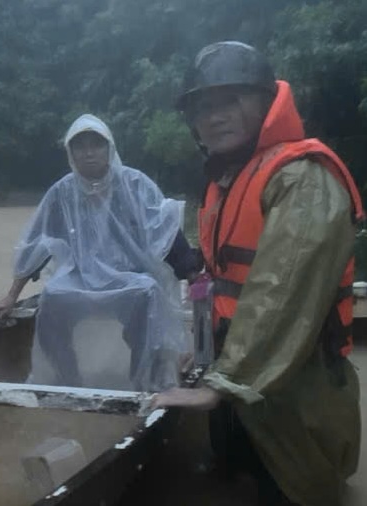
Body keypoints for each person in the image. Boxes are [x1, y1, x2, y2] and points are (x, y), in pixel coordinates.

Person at [154, 41, 362, 506]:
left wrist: (220, 383)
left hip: (294, 387)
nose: (215, 116)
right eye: (203, 106)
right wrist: (203, 349)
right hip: (234, 372)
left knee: (295, 489)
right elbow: (215, 279)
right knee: (232, 479)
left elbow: (281, 294)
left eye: (231, 100)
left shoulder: (301, 177)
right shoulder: (226, 180)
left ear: (267, 102)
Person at [0, 114, 201, 392]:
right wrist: (12, 295)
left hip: (130, 280)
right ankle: (67, 379)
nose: (89, 153)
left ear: (109, 148)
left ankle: (145, 383)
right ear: (70, 153)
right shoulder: (61, 193)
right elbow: (38, 243)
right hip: (82, 281)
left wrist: (194, 276)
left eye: (96, 145)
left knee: (148, 291)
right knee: (52, 296)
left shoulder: (135, 184)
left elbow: (168, 235)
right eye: (80, 146)